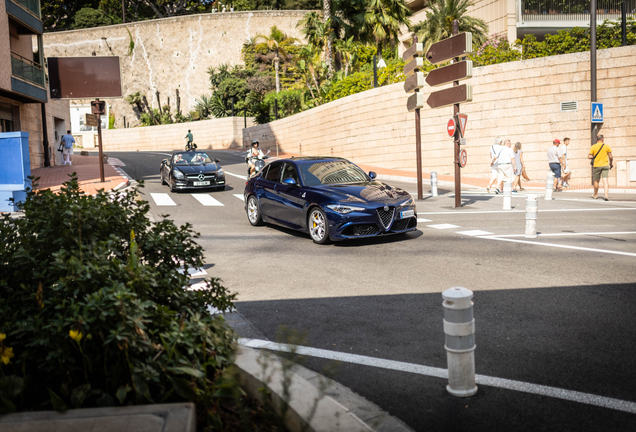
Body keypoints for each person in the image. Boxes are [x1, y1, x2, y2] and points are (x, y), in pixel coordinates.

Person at [588, 134, 613, 201]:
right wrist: (611, 163)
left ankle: (595, 195)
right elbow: (610, 156)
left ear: (596, 139)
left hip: (597, 165)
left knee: (596, 180)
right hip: (605, 165)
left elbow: (589, 156)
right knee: (605, 180)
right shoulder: (607, 146)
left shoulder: (593, 147)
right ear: (603, 139)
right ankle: (606, 195)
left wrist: (595, 157)